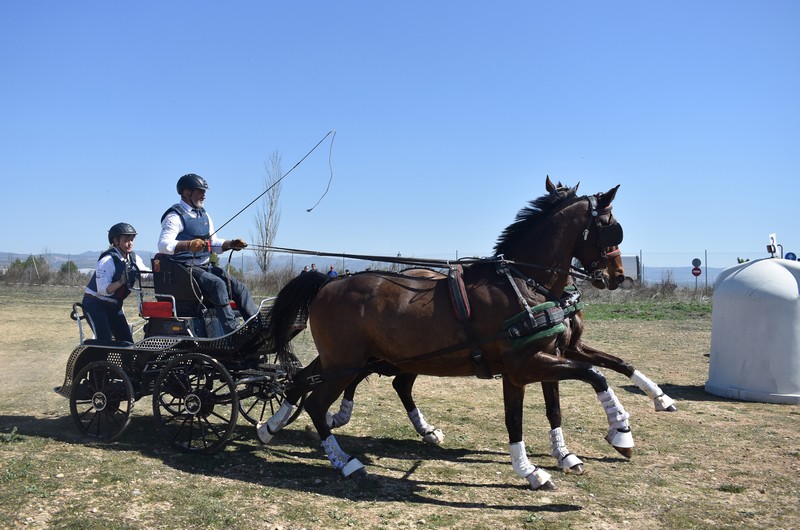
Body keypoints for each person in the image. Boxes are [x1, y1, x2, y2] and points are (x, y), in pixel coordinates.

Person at [158, 173, 258, 334]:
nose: (204, 195)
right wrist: (189, 245)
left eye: (204, 191)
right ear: (186, 192)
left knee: (239, 287)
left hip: (204, 266)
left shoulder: (204, 215)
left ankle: (256, 325)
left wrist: (231, 244)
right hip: (184, 269)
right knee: (217, 284)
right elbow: (163, 245)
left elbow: (213, 244)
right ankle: (232, 331)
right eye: (200, 191)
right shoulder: (174, 216)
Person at [82, 223, 150, 344]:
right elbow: (103, 290)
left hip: (114, 305)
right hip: (95, 303)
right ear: (116, 241)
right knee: (104, 340)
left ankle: (126, 363)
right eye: (126, 240)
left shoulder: (134, 258)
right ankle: (99, 362)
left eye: (132, 240)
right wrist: (121, 281)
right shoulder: (107, 260)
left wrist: (161, 273)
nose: (130, 243)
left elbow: (144, 275)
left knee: (127, 341)